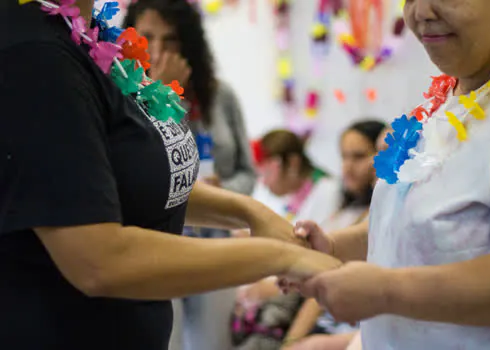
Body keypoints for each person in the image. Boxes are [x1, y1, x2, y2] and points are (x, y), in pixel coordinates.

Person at [0, 1, 341, 350]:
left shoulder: (89, 37)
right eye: (149, 36)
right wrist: (282, 257)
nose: (159, 47)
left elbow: (127, 179)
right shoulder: (35, 55)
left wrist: (250, 213)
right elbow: (97, 260)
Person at [292, 0, 490, 349]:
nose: (420, 12)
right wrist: (331, 246)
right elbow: (402, 224)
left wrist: (387, 291)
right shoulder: (445, 99)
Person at [123, 2, 256, 349]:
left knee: (215, 343)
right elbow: (135, 166)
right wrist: (161, 92)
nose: (158, 50)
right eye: (146, 38)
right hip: (156, 247)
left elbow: (247, 171)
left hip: (215, 245)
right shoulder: (119, 94)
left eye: (171, 41)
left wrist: (222, 191)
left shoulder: (219, 95)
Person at [231, 129, 342, 349]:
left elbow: (315, 256)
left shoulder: (328, 191)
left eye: (268, 171)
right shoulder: (296, 195)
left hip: (301, 295)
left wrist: (267, 288)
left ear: (292, 163)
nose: (263, 182)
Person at [281, 120, 386, 350]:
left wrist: (295, 342)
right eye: (344, 157)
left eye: (358, 156)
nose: (347, 167)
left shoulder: (377, 210)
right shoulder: (338, 199)